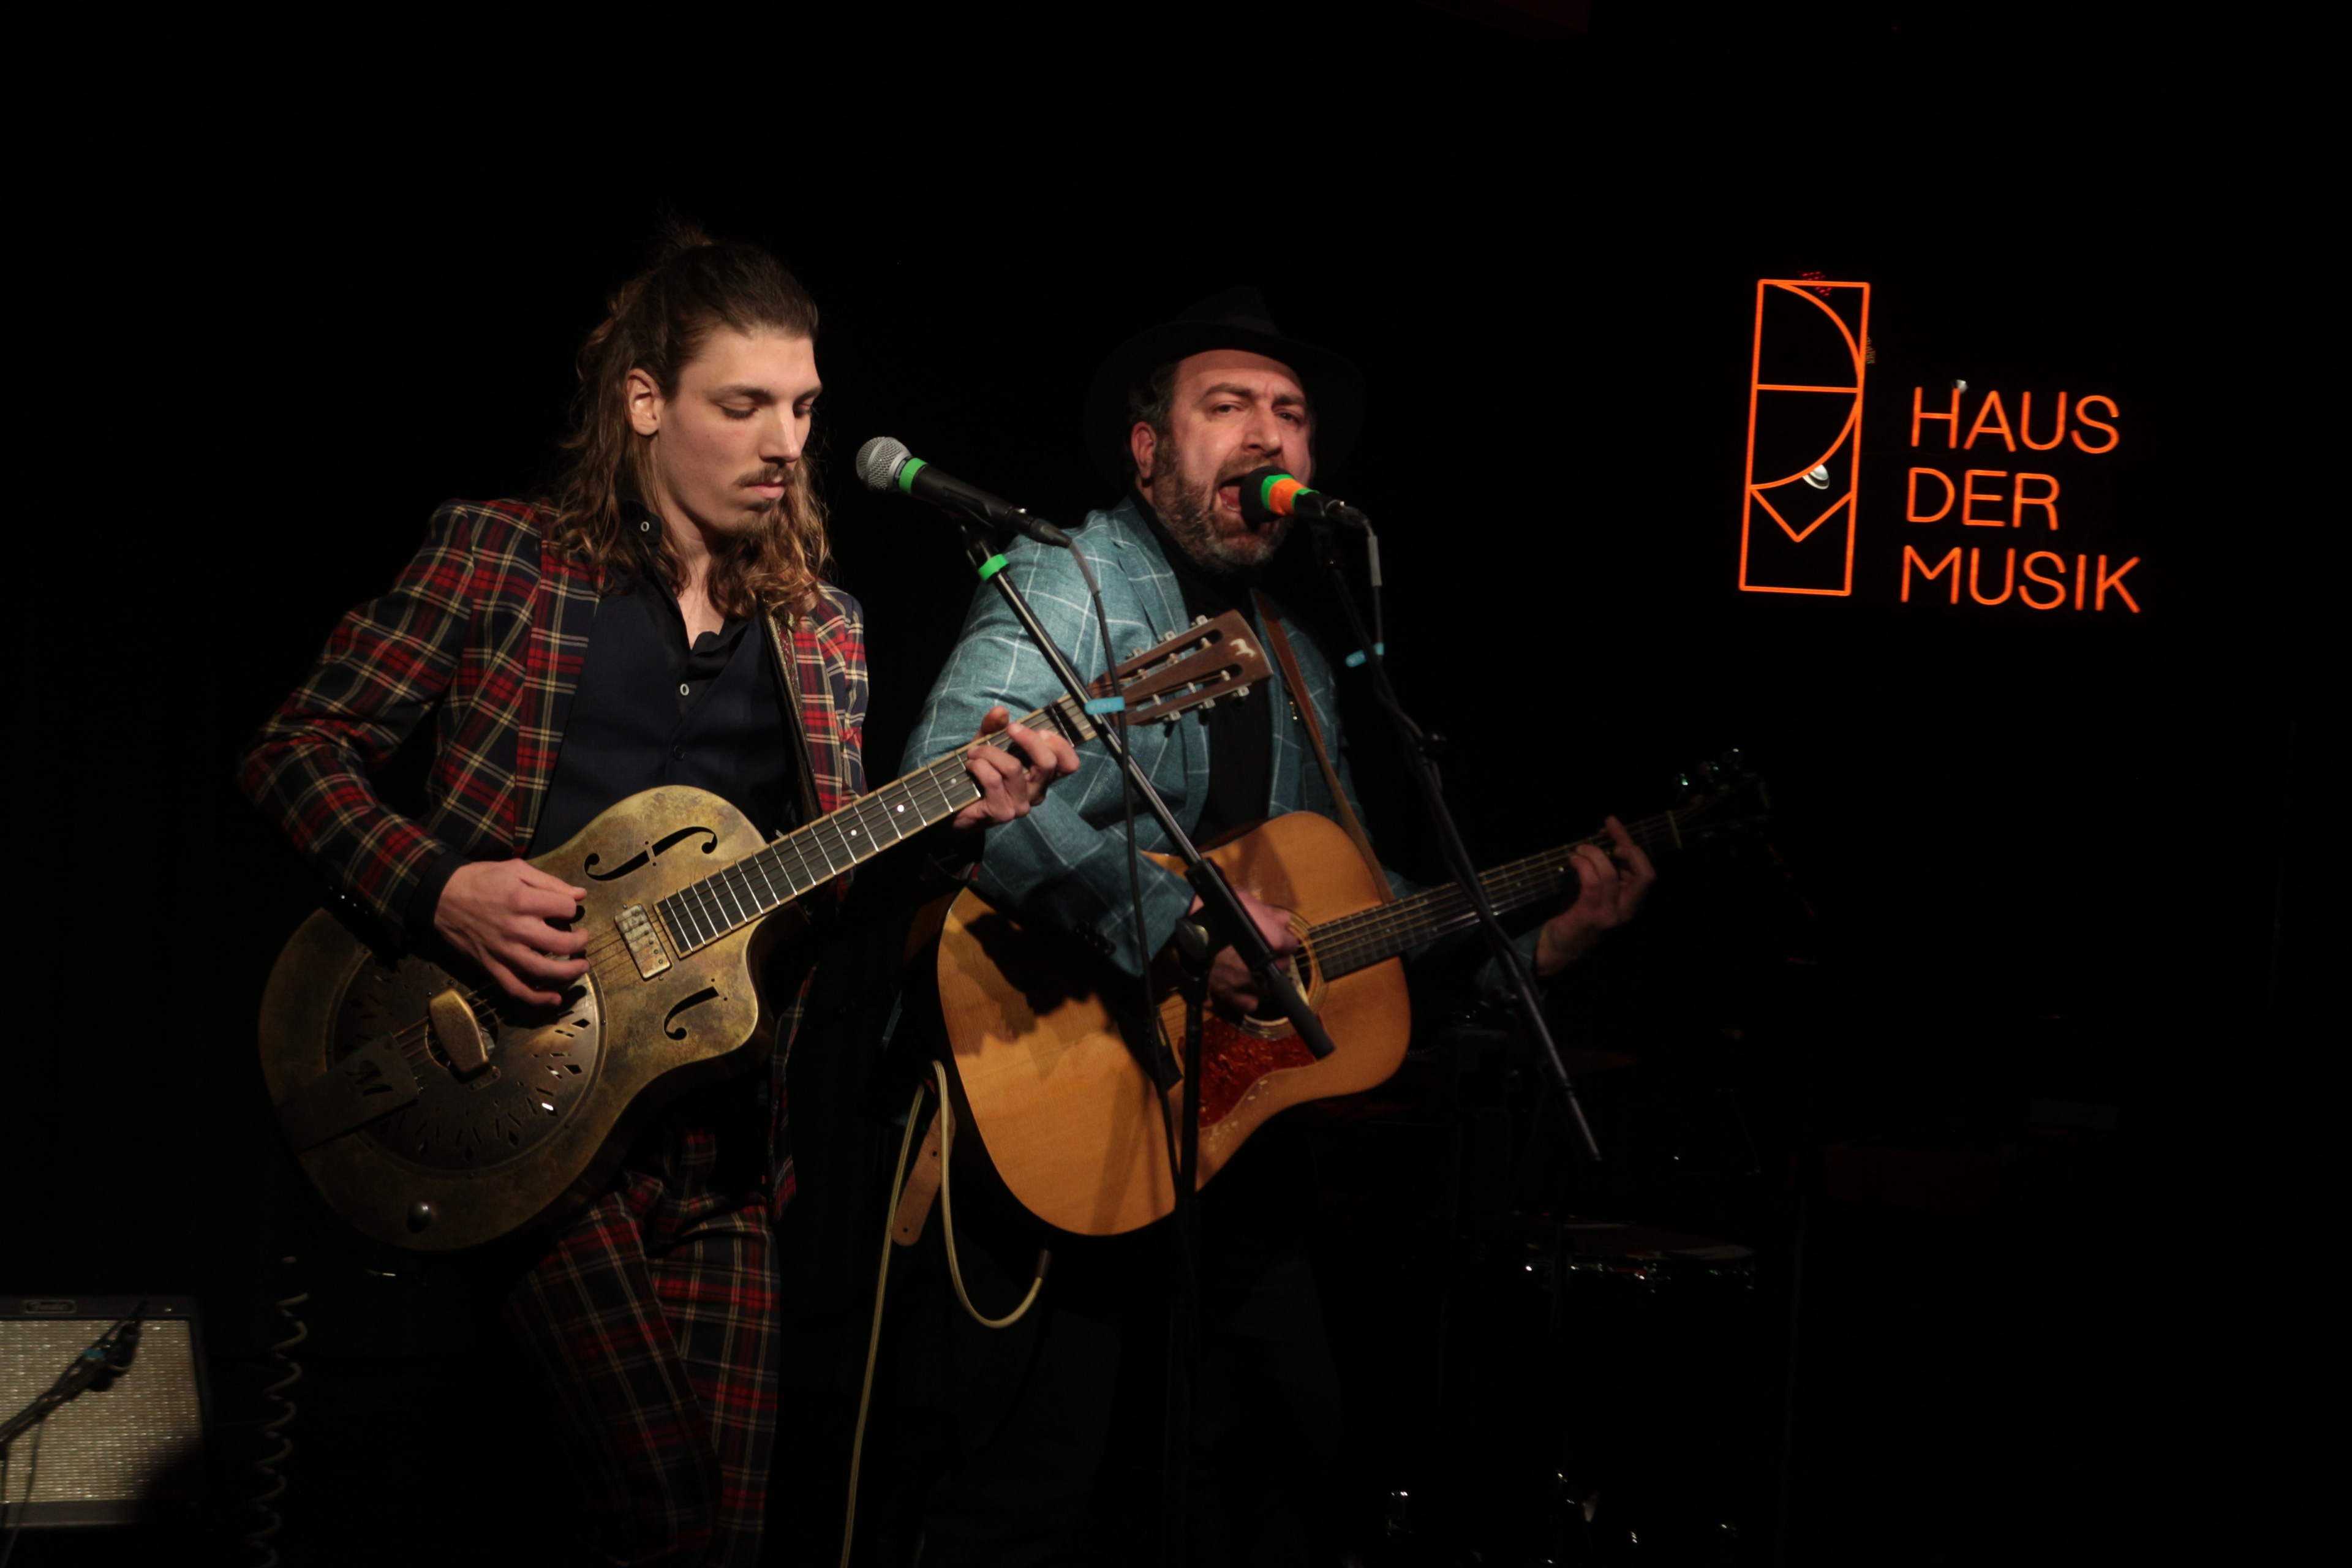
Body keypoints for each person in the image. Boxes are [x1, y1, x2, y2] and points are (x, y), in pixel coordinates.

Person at [238, 229, 1077, 1567]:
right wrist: (438, 884)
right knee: (663, 1506)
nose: (784, 439)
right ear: (645, 402)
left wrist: (951, 826)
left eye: (802, 405)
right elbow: (294, 750)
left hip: (720, 1141)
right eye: (742, 404)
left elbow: (817, 895)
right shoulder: (499, 557)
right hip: (520, 1109)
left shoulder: (824, 626)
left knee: (728, 1530)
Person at [897, 288, 1654, 1564]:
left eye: (1291, 414)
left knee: (1288, 1470)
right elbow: (951, 786)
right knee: (1032, 1495)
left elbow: (1349, 919)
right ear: (1150, 449)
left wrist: (1537, 945)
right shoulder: (1074, 580)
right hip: (1066, 1104)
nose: (1268, 433)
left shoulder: (1299, 647)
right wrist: (1178, 921)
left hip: (1225, 1151)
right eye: (1228, 404)